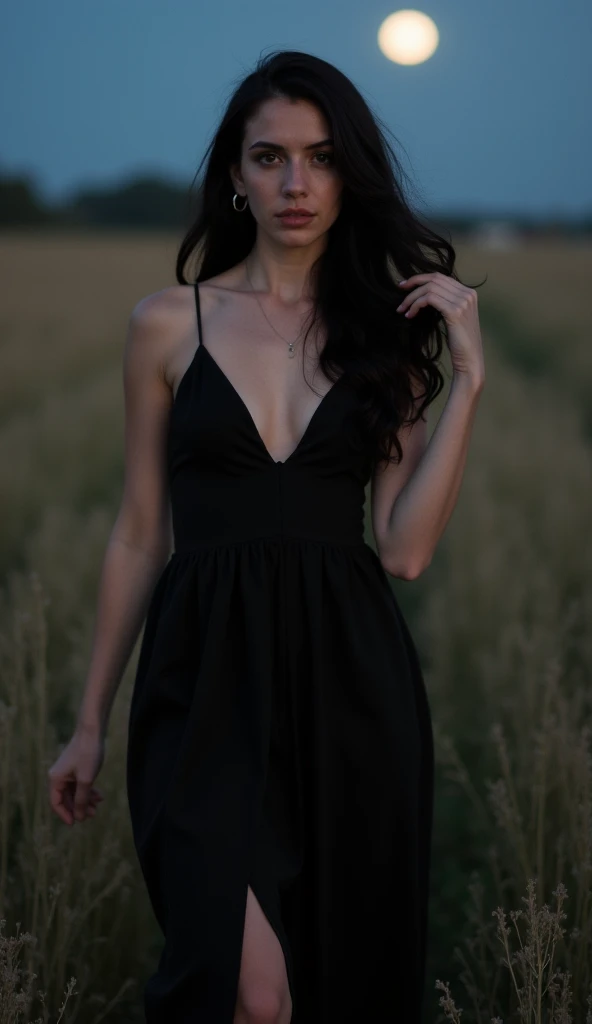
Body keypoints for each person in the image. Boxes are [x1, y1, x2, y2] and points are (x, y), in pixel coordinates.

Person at [48, 49, 485, 1024]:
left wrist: (469, 385)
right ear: (235, 177)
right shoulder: (167, 324)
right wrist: (88, 721)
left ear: (349, 174)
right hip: (201, 687)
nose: (296, 183)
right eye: (270, 157)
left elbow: (406, 550)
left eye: (322, 158)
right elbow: (137, 530)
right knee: (253, 994)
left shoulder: (383, 342)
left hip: (350, 685)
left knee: (341, 980)